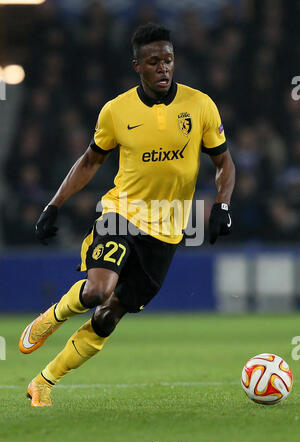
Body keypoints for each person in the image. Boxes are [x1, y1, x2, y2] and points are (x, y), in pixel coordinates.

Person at [19, 23, 235, 407]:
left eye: (168, 60)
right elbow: (89, 162)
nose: (164, 68)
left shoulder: (200, 105)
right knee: (99, 290)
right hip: (122, 212)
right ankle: (53, 316)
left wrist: (223, 204)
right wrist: (55, 204)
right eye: (154, 62)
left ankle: (44, 381)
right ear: (138, 66)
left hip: (168, 227)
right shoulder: (116, 111)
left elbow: (224, 162)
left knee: (108, 316)